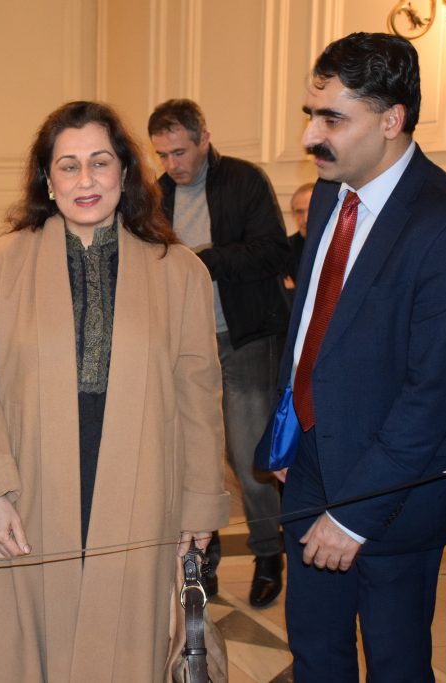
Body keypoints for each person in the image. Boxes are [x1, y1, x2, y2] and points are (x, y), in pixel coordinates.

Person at [0, 101, 228, 681]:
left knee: (124, 647)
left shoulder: (180, 271)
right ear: (47, 179)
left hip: (142, 492)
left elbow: (199, 400)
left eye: (100, 162)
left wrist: (201, 505)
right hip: (27, 491)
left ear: (125, 172)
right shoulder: (0, 264)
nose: (86, 180)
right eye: (68, 165)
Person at [268, 32, 446, 681]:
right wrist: (285, 433)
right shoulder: (330, 194)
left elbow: (431, 395)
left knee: (396, 665)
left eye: (332, 119)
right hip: (310, 467)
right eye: (310, 115)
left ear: (391, 120)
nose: (310, 136)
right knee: (316, 655)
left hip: (393, 493)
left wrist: (353, 516)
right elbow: (310, 327)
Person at [149, 98, 290, 608]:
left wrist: (203, 262)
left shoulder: (244, 180)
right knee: (195, 457)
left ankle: (268, 552)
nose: (172, 164)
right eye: (163, 155)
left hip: (245, 336)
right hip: (184, 345)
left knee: (249, 456)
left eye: (180, 152)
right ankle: (201, 564)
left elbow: (273, 250)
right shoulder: (155, 195)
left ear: (204, 139)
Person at [284, 182, 314, 289]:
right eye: (299, 212)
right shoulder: (284, 248)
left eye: (312, 210)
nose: (305, 219)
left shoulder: (339, 247)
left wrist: (295, 289)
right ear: (293, 214)